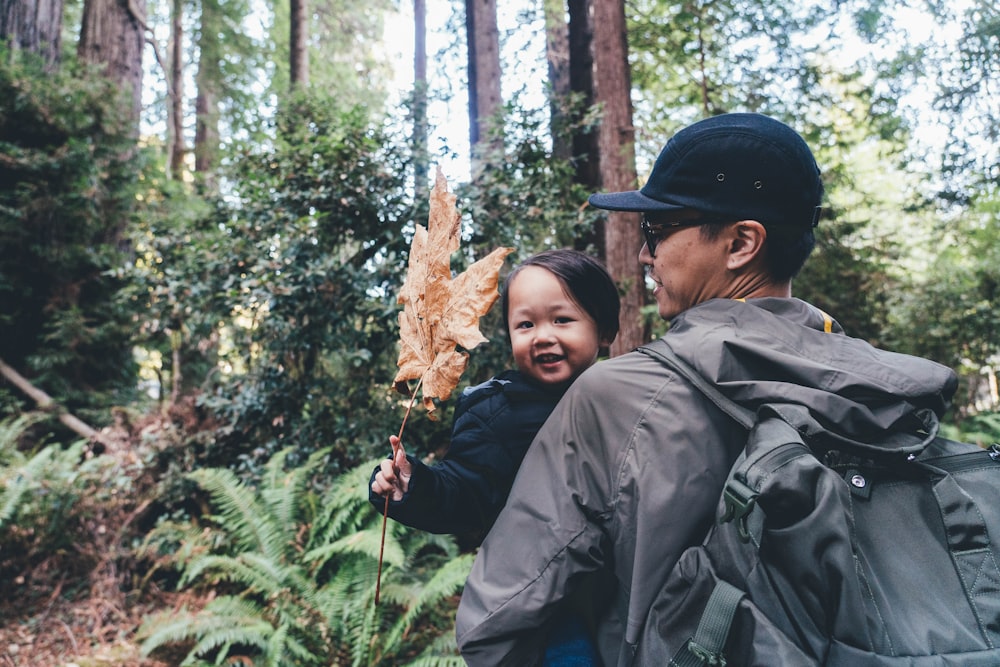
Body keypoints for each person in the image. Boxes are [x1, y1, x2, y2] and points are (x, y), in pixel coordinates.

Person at [455, 112, 958, 667]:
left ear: (742, 242)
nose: (645, 254)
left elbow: (499, 617)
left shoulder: (616, 397)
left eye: (658, 230)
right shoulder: (880, 393)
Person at [370, 248, 621, 665]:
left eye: (561, 319)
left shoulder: (628, 398)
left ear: (606, 329)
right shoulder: (498, 412)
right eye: (525, 324)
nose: (542, 335)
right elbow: (465, 488)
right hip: (550, 601)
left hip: (626, 585)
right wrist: (411, 486)